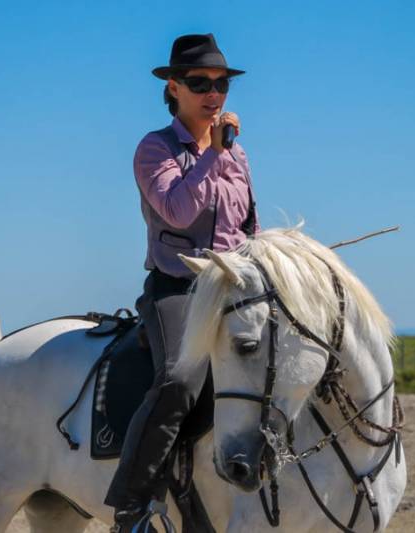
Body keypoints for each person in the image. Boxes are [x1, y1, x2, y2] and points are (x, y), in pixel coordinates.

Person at [104, 33, 261, 531]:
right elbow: (177, 208)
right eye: (200, 83)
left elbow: (247, 229)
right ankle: (131, 503)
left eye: (221, 85)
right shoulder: (155, 148)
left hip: (232, 290)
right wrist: (214, 154)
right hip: (177, 289)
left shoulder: (238, 155)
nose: (213, 94)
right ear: (174, 87)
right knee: (178, 379)